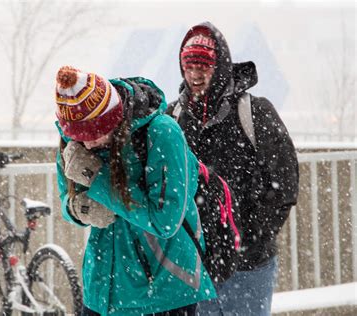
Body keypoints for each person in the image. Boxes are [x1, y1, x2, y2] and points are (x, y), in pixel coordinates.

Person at [54, 65, 216, 316]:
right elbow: (66, 195)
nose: (87, 143)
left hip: (163, 291)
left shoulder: (161, 133)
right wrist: (78, 210)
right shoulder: (74, 140)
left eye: (94, 133)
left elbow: (165, 220)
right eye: (77, 135)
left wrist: (97, 178)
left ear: (112, 117)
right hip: (101, 291)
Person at [166, 22, 299, 316]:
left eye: (204, 65)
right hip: (194, 270)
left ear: (221, 65)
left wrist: (244, 238)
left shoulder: (255, 113)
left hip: (248, 268)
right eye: (189, 65)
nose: (196, 74)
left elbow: (284, 185)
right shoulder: (172, 120)